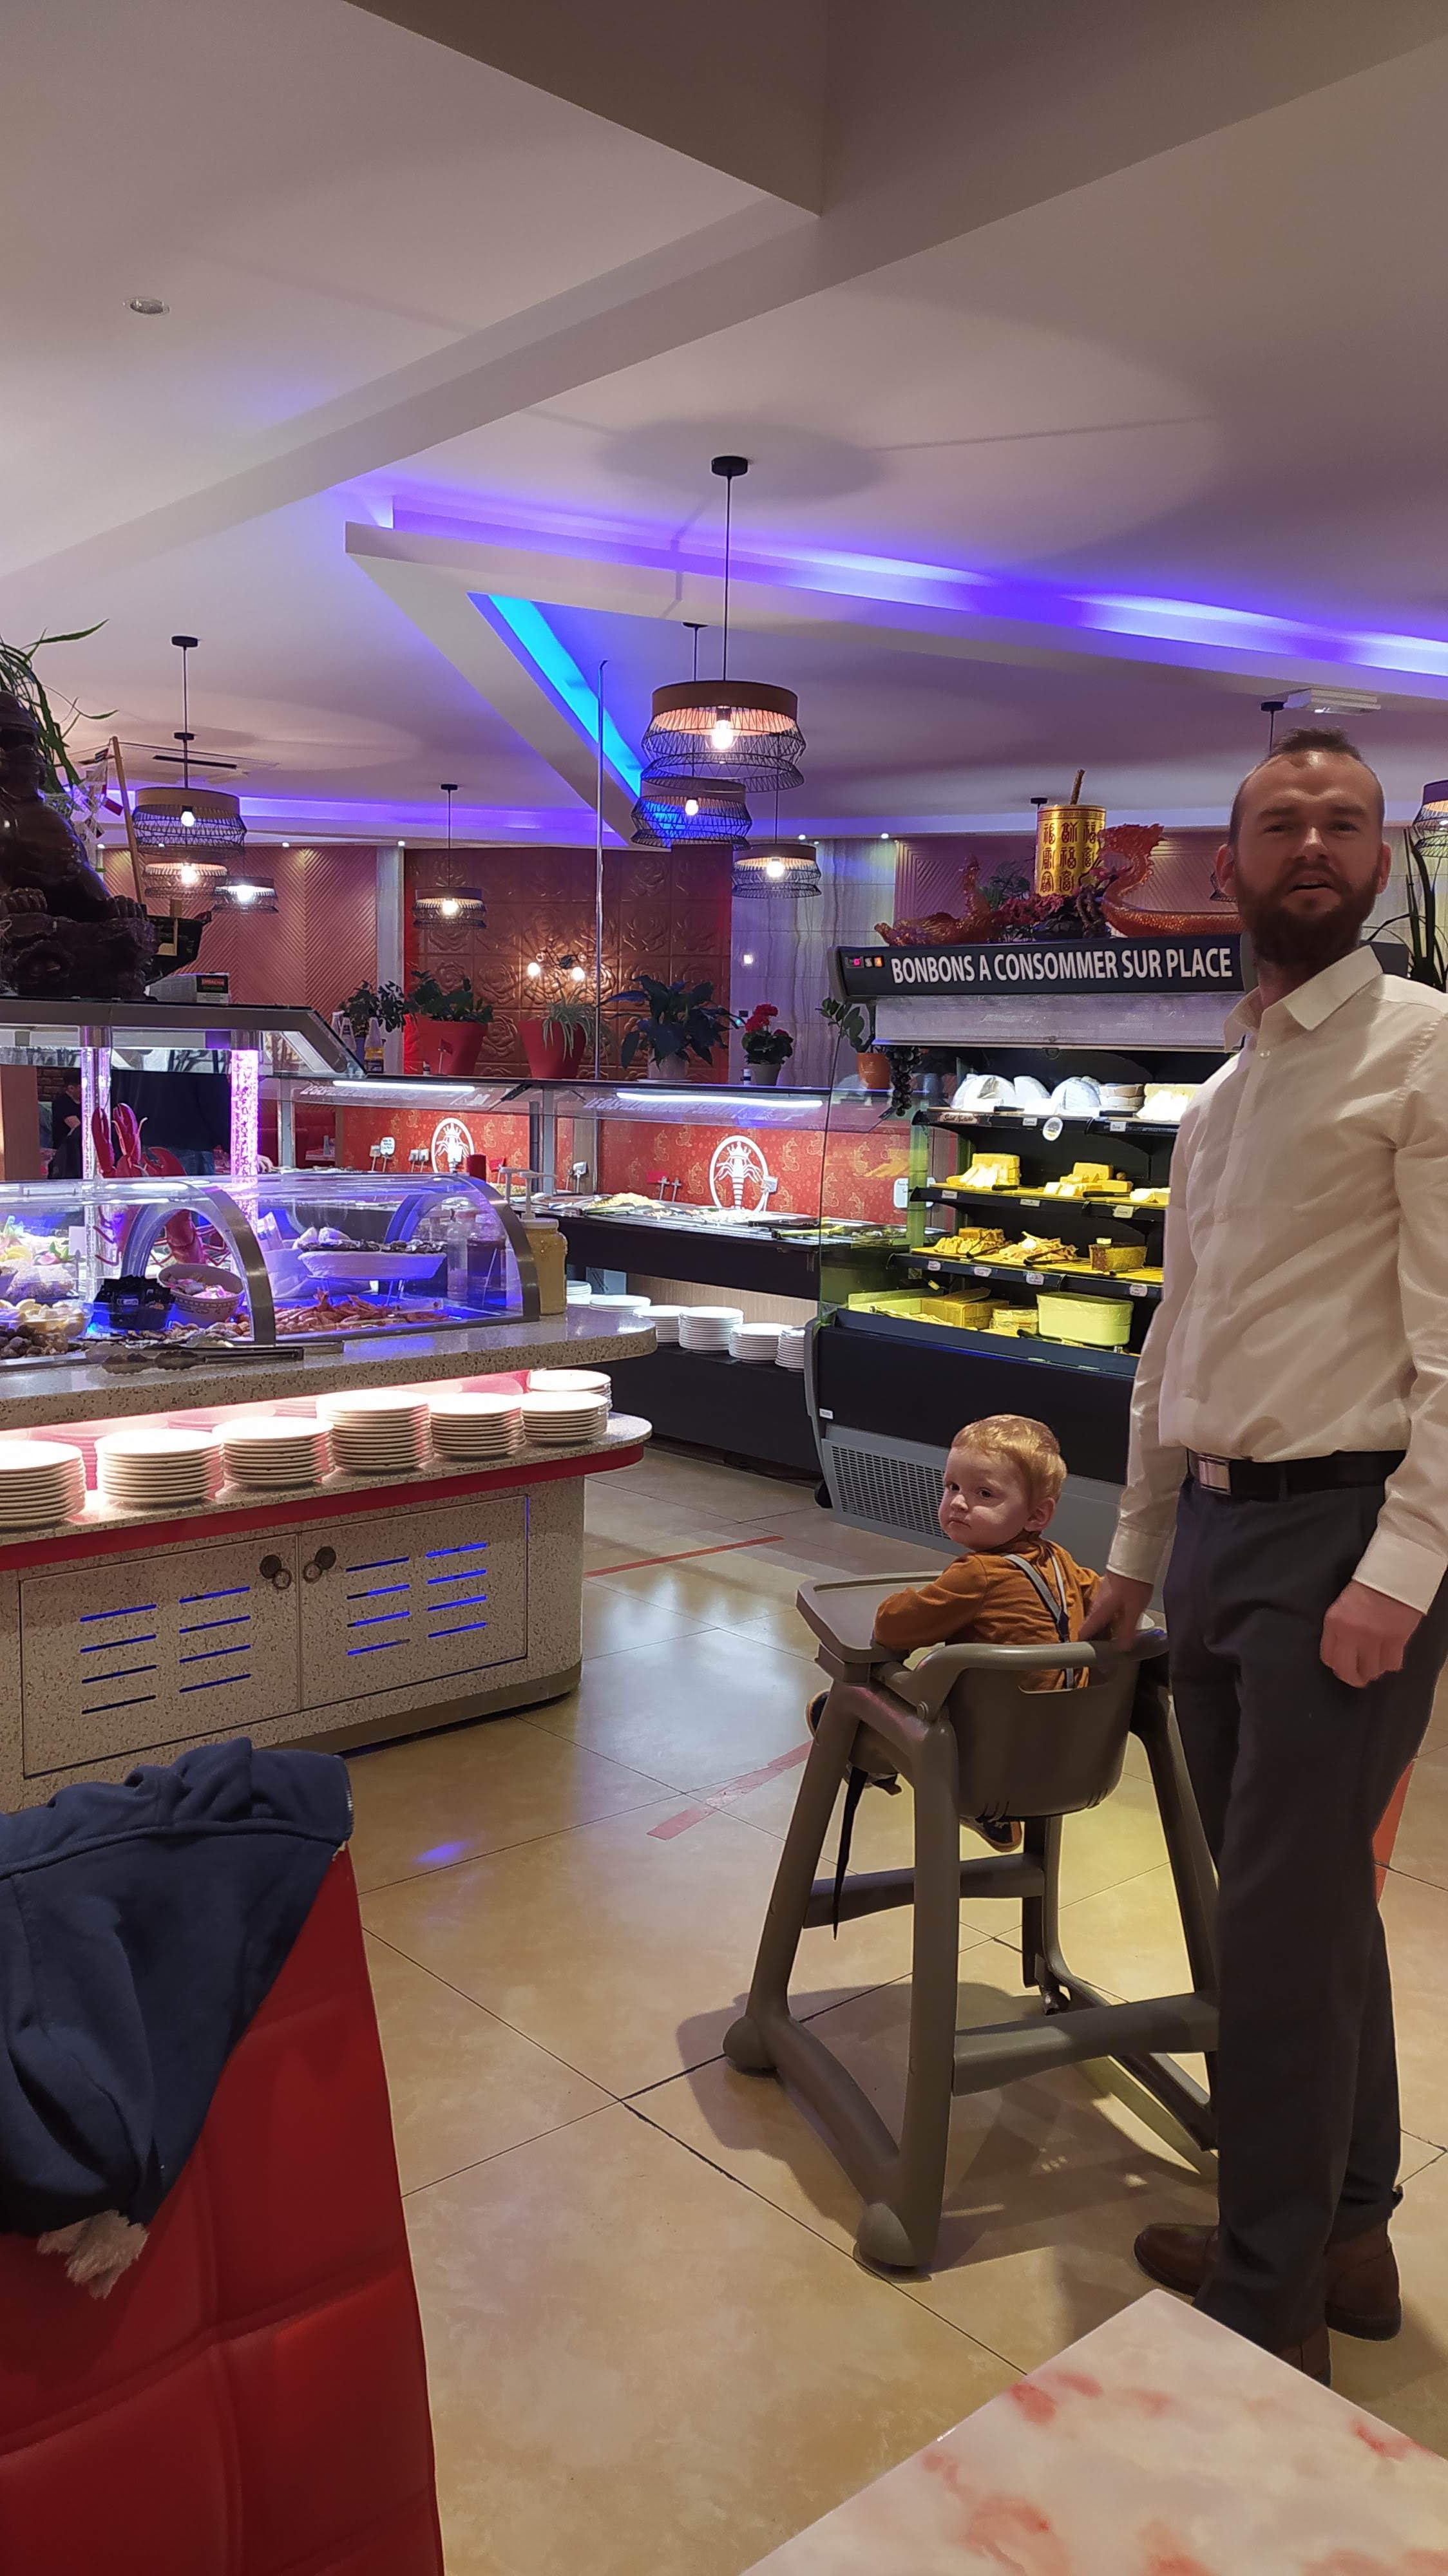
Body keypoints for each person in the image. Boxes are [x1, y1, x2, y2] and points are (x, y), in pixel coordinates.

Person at [1082, 724, 1448, 2385]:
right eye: (1281, 821)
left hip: (1342, 1536)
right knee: (1294, 1908)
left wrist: (1402, 1568)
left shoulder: (1421, 1053)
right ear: (1226, 865)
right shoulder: (1226, 1094)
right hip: (1223, 1531)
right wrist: (1136, 1546)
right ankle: (1348, 2234)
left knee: (1284, 1938)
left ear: (1381, 863)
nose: (1313, 842)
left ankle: (1265, 2292)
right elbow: (1179, 1335)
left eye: (1345, 821)